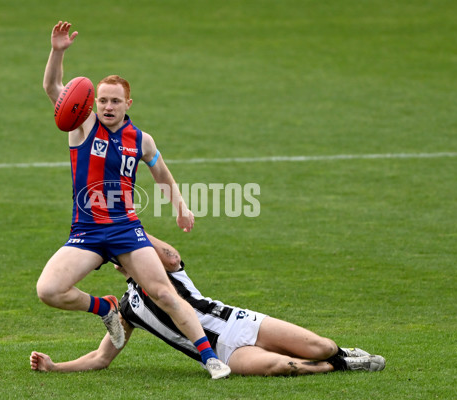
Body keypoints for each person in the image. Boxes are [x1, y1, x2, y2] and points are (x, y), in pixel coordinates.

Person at [35, 21, 231, 379]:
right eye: (103, 100)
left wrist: (181, 207)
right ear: (94, 103)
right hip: (88, 231)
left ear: (128, 103)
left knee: (164, 293)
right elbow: (52, 86)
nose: (108, 106)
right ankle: (106, 308)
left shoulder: (142, 140)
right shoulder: (82, 124)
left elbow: (162, 174)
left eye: (115, 101)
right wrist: (58, 51)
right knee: (48, 290)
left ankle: (210, 359)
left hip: (127, 229)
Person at [31, 234, 386, 376]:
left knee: (321, 345)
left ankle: (339, 353)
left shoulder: (168, 273)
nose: (125, 261)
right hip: (225, 352)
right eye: (118, 259)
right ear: (118, 268)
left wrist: (129, 228)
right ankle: (339, 367)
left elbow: (170, 253)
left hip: (243, 322)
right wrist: (55, 366)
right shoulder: (128, 310)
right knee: (282, 367)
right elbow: (100, 358)